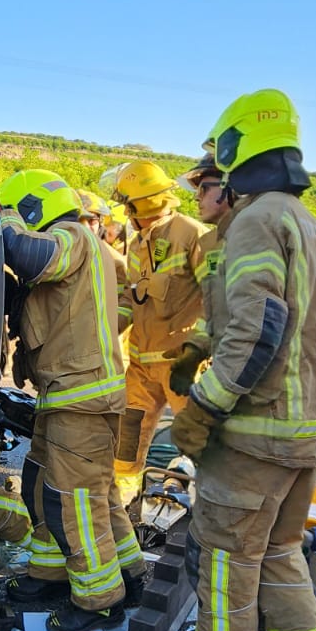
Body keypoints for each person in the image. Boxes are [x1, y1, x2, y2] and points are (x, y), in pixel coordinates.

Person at [161, 89, 316, 631]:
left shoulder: (258, 218)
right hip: (302, 432)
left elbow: (259, 327)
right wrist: (195, 346)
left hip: (256, 432)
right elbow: (258, 311)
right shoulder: (302, 221)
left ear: (237, 147)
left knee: (227, 551)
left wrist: (204, 407)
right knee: (279, 549)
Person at [0, 170, 147, 631]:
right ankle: (83, 573)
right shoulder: (88, 248)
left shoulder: (73, 236)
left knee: (72, 503)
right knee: (54, 487)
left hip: (79, 398)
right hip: (67, 397)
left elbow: (29, 253)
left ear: (32, 209)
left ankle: (101, 600)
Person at [109, 159, 207, 501]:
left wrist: (196, 352)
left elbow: (217, 296)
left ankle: (209, 514)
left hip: (182, 367)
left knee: (202, 446)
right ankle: (120, 509)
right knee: (126, 446)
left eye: (127, 204)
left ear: (140, 205)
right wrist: (109, 328)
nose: (124, 212)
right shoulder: (137, 243)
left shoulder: (192, 235)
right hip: (140, 367)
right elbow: (132, 297)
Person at [165, 153, 236, 397]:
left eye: (204, 189)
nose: (197, 197)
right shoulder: (210, 243)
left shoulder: (257, 237)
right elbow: (215, 307)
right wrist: (196, 350)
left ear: (230, 186)